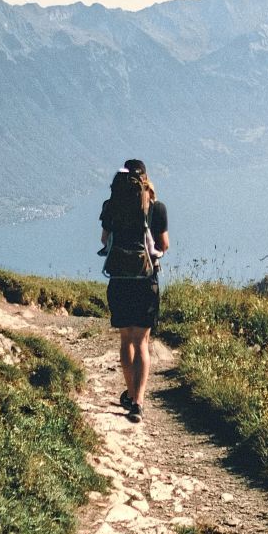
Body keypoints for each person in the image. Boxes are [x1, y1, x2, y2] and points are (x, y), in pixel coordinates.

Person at [99, 161, 168, 423]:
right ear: (145, 179)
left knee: (126, 339)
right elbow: (164, 244)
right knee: (142, 342)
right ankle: (138, 402)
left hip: (119, 281)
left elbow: (105, 240)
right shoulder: (156, 208)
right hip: (145, 281)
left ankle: (130, 392)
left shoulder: (111, 206)